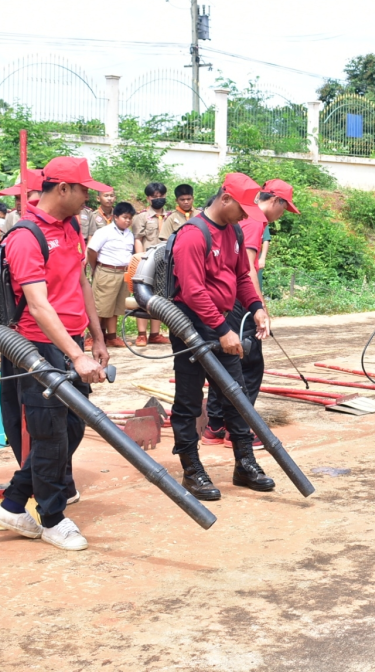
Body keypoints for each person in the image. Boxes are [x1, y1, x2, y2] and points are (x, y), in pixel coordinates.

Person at [0, 157, 111, 551]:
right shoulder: (26, 236)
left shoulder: (72, 227)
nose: (89, 197)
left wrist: (98, 337)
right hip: (36, 347)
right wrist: (76, 356)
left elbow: (80, 282)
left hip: (70, 341)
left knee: (72, 426)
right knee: (49, 433)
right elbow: (39, 306)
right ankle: (53, 518)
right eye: (84, 190)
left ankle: (12, 503)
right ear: (62, 189)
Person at [168, 173, 274, 499]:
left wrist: (256, 306)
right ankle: (191, 470)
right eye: (241, 209)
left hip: (222, 321)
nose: (245, 216)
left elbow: (243, 274)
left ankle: (245, 464)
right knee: (188, 399)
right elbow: (193, 290)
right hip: (190, 325)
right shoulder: (193, 235)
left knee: (236, 395)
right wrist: (223, 330)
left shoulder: (235, 231)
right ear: (225, 199)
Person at [203, 179, 300, 451]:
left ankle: (215, 426)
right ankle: (239, 429)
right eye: (285, 208)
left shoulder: (244, 220)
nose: (283, 214)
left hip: (229, 300)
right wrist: (260, 309)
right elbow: (247, 270)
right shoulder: (254, 221)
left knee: (226, 362)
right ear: (276, 201)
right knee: (248, 363)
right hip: (237, 302)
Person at [86, 202, 136, 349]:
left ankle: (112, 337)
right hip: (106, 271)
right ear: (115, 217)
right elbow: (91, 251)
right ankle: (92, 338)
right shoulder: (104, 232)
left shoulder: (129, 234)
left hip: (123, 273)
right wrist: (96, 268)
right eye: (124, 217)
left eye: (130, 218)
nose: (127, 221)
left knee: (116, 307)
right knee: (99, 307)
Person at [131, 182, 169, 347]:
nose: (158, 199)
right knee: (142, 295)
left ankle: (155, 334)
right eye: (155, 196)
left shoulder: (170, 216)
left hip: (164, 262)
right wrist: (139, 258)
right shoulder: (142, 217)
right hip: (146, 261)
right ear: (148, 198)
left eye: (161, 196)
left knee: (159, 296)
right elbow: (138, 238)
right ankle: (141, 334)